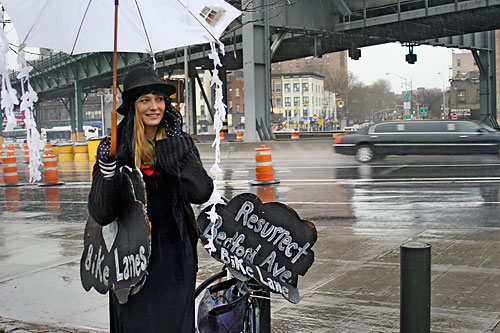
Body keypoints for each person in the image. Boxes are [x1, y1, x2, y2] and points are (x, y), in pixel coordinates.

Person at [88, 66, 214, 332]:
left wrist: (174, 156)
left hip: (175, 253)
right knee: (136, 322)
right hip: (129, 255)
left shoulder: (179, 143)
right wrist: (108, 172)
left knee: (174, 323)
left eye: (159, 99)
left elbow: (201, 192)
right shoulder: (114, 147)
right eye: (145, 100)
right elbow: (101, 213)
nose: (154, 106)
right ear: (133, 107)